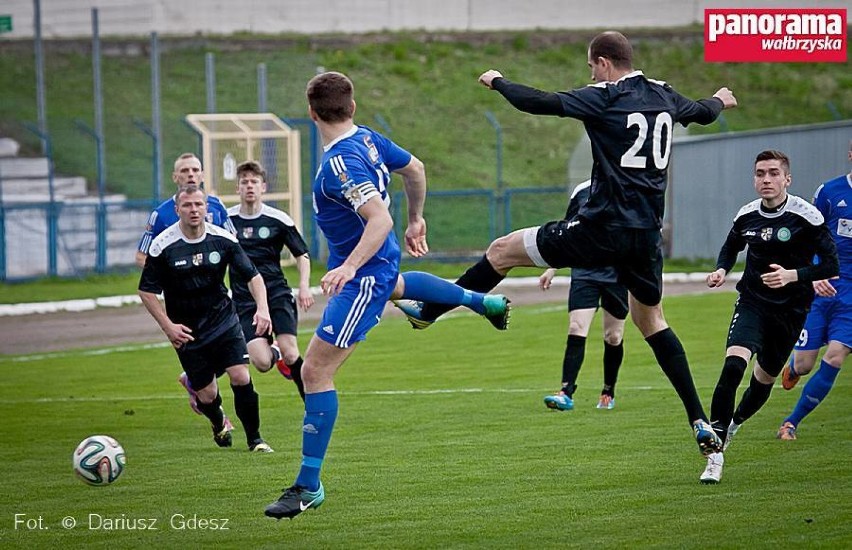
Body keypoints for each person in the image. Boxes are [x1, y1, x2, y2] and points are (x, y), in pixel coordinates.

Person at [398, 31, 737, 457]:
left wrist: (497, 80)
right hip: (646, 235)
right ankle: (698, 419)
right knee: (652, 321)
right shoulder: (664, 95)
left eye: (591, 66)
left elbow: (539, 101)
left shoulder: (605, 97)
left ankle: (431, 310)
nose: (591, 74)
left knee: (502, 251)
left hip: (599, 229)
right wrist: (720, 99)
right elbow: (703, 112)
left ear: (604, 62)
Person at [263, 71, 510, 520]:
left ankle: (307, 485)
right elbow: (415, 168)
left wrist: (348, 266)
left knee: (314, 372)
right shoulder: (370, 140)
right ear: (352, 107)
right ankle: (483, 302)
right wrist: (418, 217)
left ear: (311, 114)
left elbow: (378, 221)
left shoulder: (341, 163)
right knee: (399, 286)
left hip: (364, 275)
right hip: (380, 269)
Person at [699, 150, 838, 484]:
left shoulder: (807, 215)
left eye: (773, 173)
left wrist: (793, 275)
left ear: (786, 179)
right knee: (734, 365)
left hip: (791, 311)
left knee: (762, 382)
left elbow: (830, 266)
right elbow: (731, 247)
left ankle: (734, 425)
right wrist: (721, 268)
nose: (766, 179)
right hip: (752, 302)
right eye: (760, 173)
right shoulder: (746, 216)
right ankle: (714, 452)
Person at [138, 184, 275, 452]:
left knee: (240, 376)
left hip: (223, 320)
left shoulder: (223, 239)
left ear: (207, 208)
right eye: (187, 205)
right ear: (177, 209)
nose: (194, 210)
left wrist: (262, 308)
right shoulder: (162, 246)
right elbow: (147, 291)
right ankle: (217, 423)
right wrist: (168, 327)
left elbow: (253, 276)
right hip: (186, 330)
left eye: (199, 205)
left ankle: (255, 439)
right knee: (207, 394)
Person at [135, 152, 237, 417]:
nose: (190, 174)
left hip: (216, 299)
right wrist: (173, 274)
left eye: (195, 170)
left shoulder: (216, 207)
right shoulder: (161, 215)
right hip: (182, 305)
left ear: (202, 174)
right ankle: (213, 407)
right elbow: (142, 256)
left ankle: (195, 385)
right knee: (199, 357)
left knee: (238, 351)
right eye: (184, 171)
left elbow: (234, 248)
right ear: (175, 177)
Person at [776, 142, 852, 441]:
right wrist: (812, 275)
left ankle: (790, 423)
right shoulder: (830, 192)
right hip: (824, 286)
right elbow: (806, 236)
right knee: (806, 364)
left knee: (835, 357)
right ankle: (794, 366)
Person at [228, 160, 314, 400]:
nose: (249, 186)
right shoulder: (226, 221)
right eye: (244, 182)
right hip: (245, 300)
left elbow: (302, 254)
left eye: (254, 181)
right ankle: (274, 353)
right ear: (238, 188)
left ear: (263, 187)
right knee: (262, 363)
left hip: (276, 293)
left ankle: (312, 404)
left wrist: (304, 286)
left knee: (291, 352)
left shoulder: (278, 219)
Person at [540, 180, 627, 411]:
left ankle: (608, 390)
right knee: (576, 327)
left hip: (617, 274)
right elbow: (567, 231)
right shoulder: (582, 190)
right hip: (584, 272)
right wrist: (552, 266)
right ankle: (565, 392)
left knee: (613, 336)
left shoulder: (626, 187)